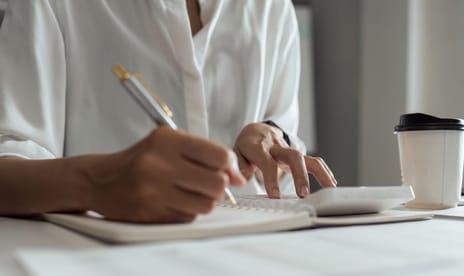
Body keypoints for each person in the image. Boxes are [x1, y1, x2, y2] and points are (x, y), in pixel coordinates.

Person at [0, 0, 337, 223]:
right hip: (99, 272)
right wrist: (95, 183)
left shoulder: (271, 8)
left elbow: (283, 150)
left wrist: (270, 142)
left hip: (249, 258)